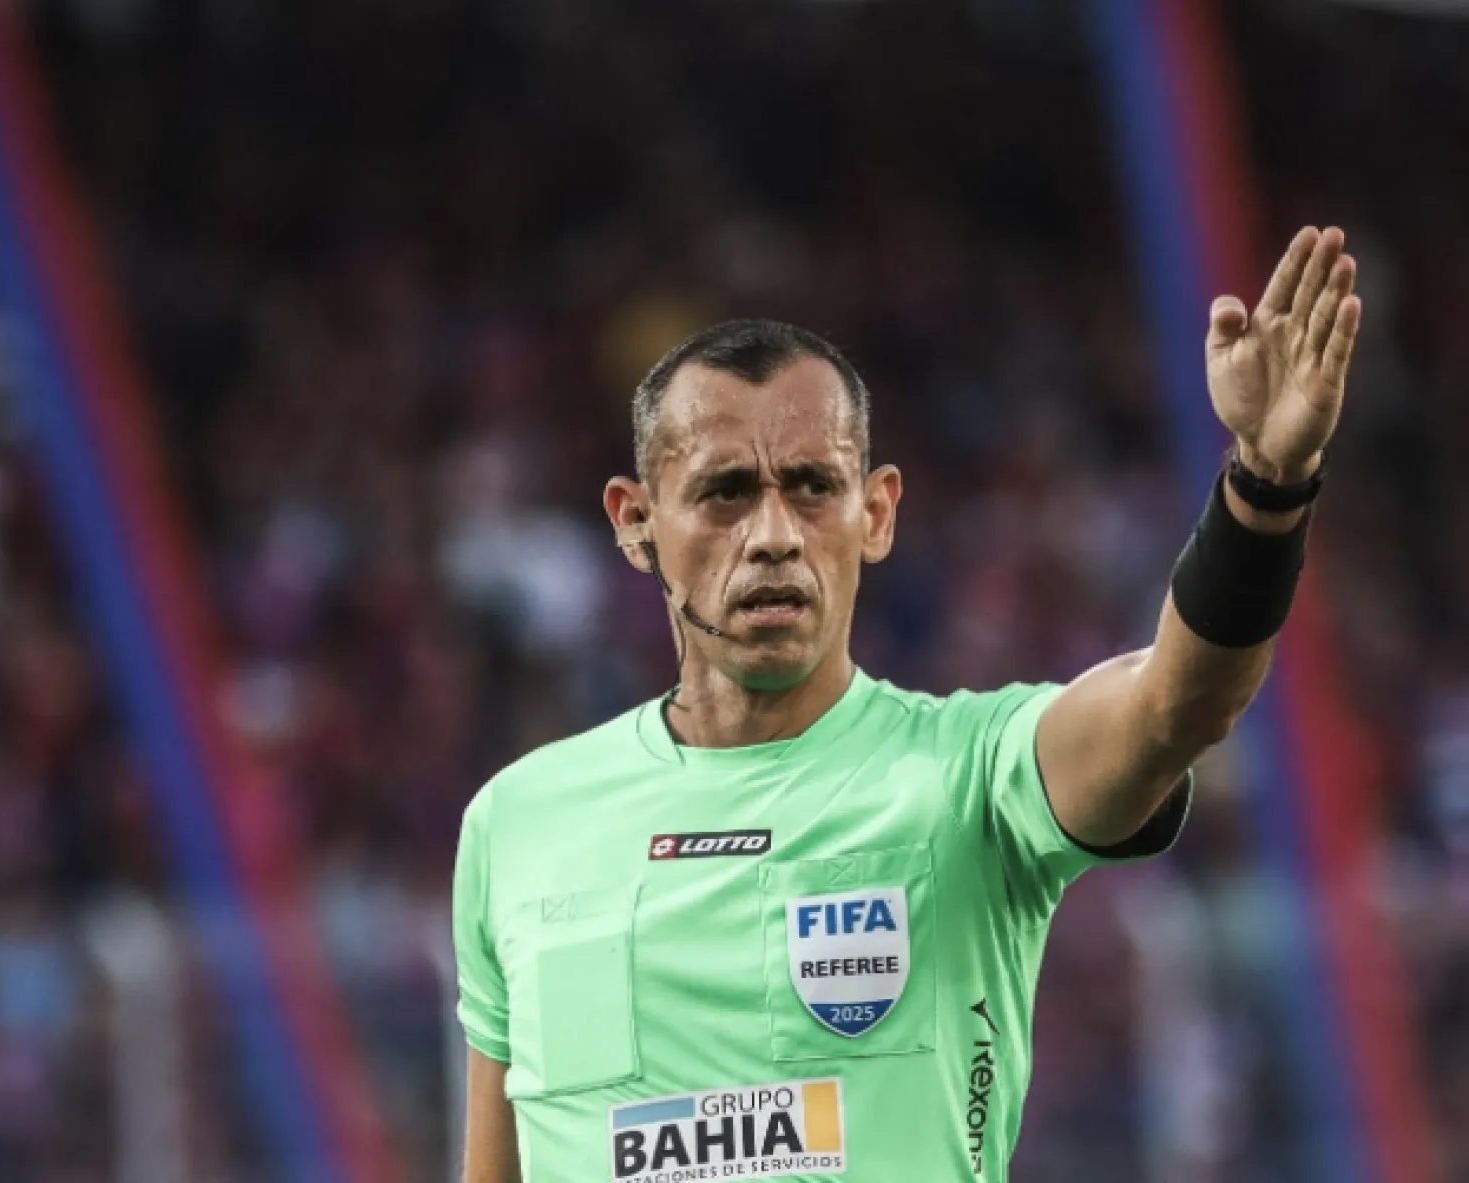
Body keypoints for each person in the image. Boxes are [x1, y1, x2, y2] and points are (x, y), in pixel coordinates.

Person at [452, 226, 1361, 1183]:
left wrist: (1264, 486)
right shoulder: (518, 820)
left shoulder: (971, 774)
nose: (772, 536)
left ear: (876, 512)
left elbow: (1177, 705)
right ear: (636, 522)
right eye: (723, 493)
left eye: (813, 489)